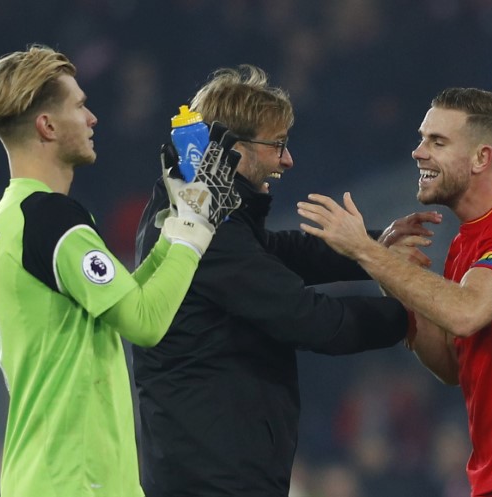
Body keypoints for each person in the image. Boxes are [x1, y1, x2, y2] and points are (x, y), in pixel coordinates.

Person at [133, 64, 431, 496]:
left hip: (214, 467)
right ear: (233, 150)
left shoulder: (199, 212)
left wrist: (375, 245)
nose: (288, 159)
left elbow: (278, 254)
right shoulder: (204, 229)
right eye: (278, 146)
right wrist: (410, 313)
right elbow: (310, 319)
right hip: (214, 478)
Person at [297, 87, 492, 496]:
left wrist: (366, 251)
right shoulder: (467, 244)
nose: (418, 152)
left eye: (437, 142)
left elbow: (467, 312)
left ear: (482, 158)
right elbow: (450, 366)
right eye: (423, 138)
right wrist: (394, 275)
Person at [0, 44, 239, 497]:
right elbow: (145, 321)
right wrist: (195, 231)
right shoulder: (54, 221)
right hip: (77, 480)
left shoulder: (7, 218)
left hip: (48, 474)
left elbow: (122, 303)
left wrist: (176, 228)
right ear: (47, 125)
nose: (93, 118)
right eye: (80, 105)